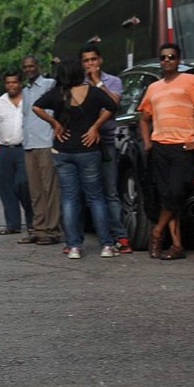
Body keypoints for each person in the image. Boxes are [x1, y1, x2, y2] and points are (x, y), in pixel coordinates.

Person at [32, 61, 119, 259]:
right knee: (96, 198)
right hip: (88, 149)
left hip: (63, 150)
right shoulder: (93, 92)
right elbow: (112, 106)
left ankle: (73, 246)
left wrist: (54, 123)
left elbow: (36, 107)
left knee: (70, 199)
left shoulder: (57, 94)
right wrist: (95, 126)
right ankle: (106, 244)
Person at [137, 45, 194, 260]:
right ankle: (176, 245)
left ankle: (157, 232)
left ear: (179, 60)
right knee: (166, 196)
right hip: (160, 146)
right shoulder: (154, 88)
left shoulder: (191, 81)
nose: (167, 60)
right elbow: (143, 117)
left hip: (183, 146)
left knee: (175, 192)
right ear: (159, 61)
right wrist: (147, 143)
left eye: (172, 57)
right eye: (163, 58)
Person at [80, 43, 131, 253]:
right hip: (84, 144)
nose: (90, 64)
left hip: (107, 142)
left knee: (110, 191)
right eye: (86, 61)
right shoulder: (78, 84)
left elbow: (113, 104)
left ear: (100, 60)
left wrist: (98, 83)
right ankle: (87, 237)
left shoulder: (113, 81)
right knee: (88, 193)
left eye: (93, 60)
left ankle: (119, 235)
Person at [20, 54, 61, 247]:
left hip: (45, 143)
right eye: (25, 67)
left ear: (38, 66)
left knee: (50, 189)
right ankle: (38, 229)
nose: (29, 69)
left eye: (31, 66)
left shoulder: (49, 84)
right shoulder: (26, 90)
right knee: (35, 191)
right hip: (29, 145)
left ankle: (53, 231)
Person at [0, 70, 33, 235]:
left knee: (24, 184)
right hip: (5, 149)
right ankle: (12, 225)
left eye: (14, 82)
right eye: (8, 83)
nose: (11, 86)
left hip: (24, 149)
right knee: (6, 188)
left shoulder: (28, 99)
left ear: (19, 83)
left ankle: (32, 222)